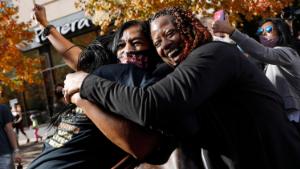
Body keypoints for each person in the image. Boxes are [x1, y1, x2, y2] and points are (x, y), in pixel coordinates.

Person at [64, 7, 300, 169]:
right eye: (157, 42)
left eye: (170, 33)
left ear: (191, 26)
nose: (165, 45)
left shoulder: (213, 54)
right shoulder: (184, 74)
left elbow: (153, 105)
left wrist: (86, 84)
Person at [30, 4, 183, 169]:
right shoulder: (106, 73)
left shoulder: (143, 83)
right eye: (121, 45)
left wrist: (81, 99)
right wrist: (45, 25)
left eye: (137, 43)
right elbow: (76, 57)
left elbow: (146, 146)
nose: (127, 51)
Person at [212, 16, 300, 122]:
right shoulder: (268, 62)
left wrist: (231, 31)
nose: (263, 34)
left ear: (280, 32)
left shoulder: (288, 52)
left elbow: (262, 52)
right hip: (279, 115)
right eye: (259, 31)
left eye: (268, 30)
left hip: (293, 115)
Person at [0, 104, 22, 169]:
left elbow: (9, 130)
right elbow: (9, 130)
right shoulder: (3, 108)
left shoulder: (2, 109)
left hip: (3, 155)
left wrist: (16, 151)